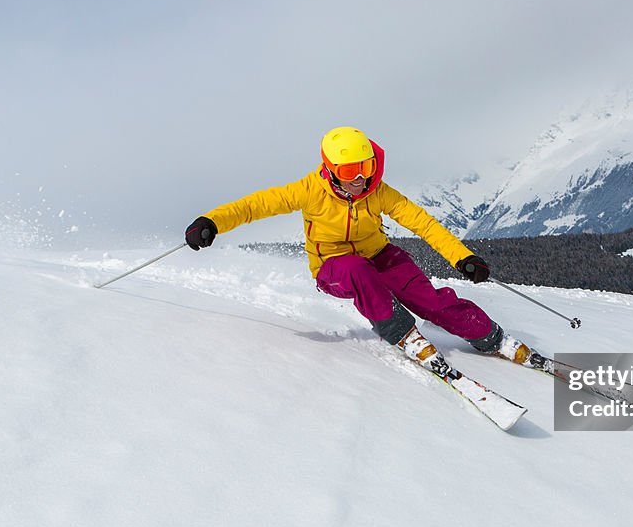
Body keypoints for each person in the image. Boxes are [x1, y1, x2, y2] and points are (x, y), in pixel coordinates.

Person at [185, 126, 538, 376]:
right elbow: (256, 205)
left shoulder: (378, 191)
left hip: (379, 254)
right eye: (351, 171)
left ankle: (487, 334)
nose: (360, 179)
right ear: (331, 170)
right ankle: (400, 331)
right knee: (357, 269)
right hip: (333, 267)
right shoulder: (308, 190)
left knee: (426, 297)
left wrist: (463, 257)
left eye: (366, 168)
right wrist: (212, 221)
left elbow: (423, 223)